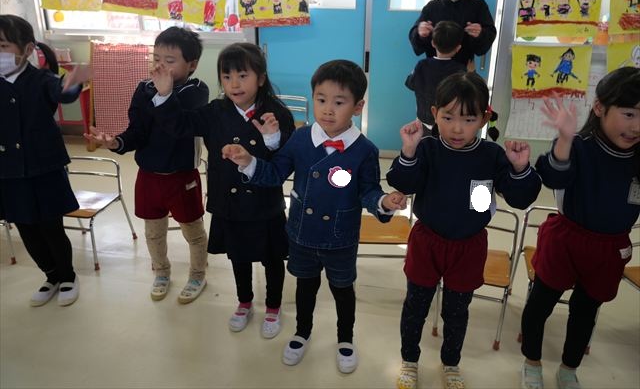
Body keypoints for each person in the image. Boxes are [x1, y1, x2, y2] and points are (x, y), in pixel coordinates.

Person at [221, 60, 407, 373]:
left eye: (339, 102)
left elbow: (368, 192)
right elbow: (276, 173)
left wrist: (385, 202)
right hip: (302, 233)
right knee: (305, 288)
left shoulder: (365, 150)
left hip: (341, 237)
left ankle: (345, 339)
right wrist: (249, 161)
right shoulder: (301, 138)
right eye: (321, 100)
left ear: (358, 107)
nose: (328, 110)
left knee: (343, 291)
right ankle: (302, 332)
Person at [388, 72, 542, 389]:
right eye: (448, 117)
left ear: (484, 118)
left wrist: (519, 168)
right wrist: (408, 151)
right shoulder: (427, 148)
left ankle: (451, 363)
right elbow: (403, 182)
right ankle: (409, 360)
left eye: (469, 119)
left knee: (457, 312)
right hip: (427, 242)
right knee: (415, 307)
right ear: (434, 114)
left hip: (469, 247)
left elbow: (520, 198)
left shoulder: (492, 156)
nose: (457, 128)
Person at [149, 43, 295, 338]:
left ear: (261, 79)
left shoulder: (276, 113)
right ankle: (244, 302)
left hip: (265, 203)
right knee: (238, 256)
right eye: (227, 77)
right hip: (229, 201)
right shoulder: (216, 111)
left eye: (242, 76)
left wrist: (272, 139)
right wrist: (164, 94)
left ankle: (273, 306)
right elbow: (180, 125)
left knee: (271, 259)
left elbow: (286, 161)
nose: (234, 84)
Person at [520, 67, 640, 389]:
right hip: (567, 239)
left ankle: (568, 369)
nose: (636, 126)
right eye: (629, 114)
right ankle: (531, 363)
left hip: (610, 247)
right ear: (599, 107)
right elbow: (552, 177)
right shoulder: (581, 146)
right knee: (540, 304)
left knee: (586, 312)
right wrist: (564, 139)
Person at [85, 27, 209, 304]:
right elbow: (137, 132)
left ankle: (198, 274)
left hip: (182, 176)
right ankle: (162, 272)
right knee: (153, 233)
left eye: (170, 60)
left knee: (193, 231)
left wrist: (164, 95)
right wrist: (116, 142)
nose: (160, 66)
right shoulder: (144, 89)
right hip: (149, 176)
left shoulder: (196, 91)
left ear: (191, 65)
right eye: (157, 59)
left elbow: (178, 126)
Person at [0, 14, 93, 307]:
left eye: (3, 46)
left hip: (44, 168)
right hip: (8, 170)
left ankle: (67, 276)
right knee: (25, 227)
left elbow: (63, 92)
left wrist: (73, 83)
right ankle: (50, 275)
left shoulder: (42, 80)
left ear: (27, 49)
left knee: (50, 227)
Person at [408, 0, 496, 70]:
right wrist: (420, 33)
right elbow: (416, 42)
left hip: (464, 70)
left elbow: (487, 38)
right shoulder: (432, 7)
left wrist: (481, 34)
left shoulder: (478, 6)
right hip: (435, 69)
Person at [405, 20, 467, 134]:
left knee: (424, 144)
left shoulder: (422, 65)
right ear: (458, 48)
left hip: (423, 121)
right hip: (448, 124)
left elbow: (410, 84)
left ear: (433, 43)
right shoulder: (460, 70)